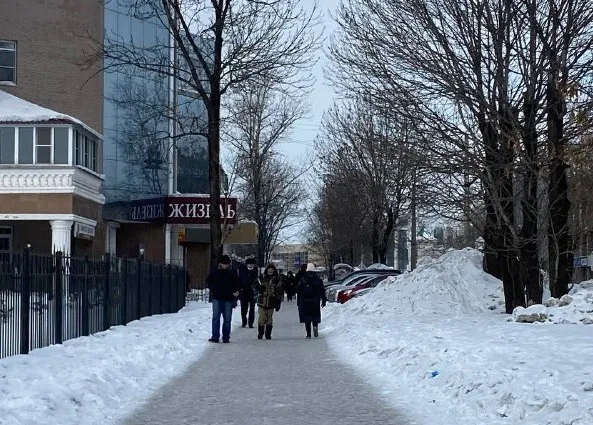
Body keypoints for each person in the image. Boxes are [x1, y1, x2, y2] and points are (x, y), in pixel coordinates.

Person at [207, 254, 240, 343]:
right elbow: (209, 281)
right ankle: (215, 336)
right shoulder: (214, 271)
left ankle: (226, 337)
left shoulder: (232, 272)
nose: (225, 265)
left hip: (228, 298)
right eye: (223, 264)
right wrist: (213, 289)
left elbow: (236, 283)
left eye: (227, 264)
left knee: (227, 319)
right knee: (216, 318)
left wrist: (236, 291)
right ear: (220, 263)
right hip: (217, 298)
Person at [296, 263, 327, 339]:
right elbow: (322, 290)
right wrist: (323, 300)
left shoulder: (303, 279)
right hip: (315, 300)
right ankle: (315, 326)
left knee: (307, 317)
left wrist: (298, 302)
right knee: (315, 315)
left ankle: (308, 334)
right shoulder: (317, 279)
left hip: (304, 301)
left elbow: (298, 291)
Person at [255, 263, 284, 340]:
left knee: (269, 318)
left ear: (274, 271)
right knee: (261, 317)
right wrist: (259, 288)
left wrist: (278, 302)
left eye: (272, 269)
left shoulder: (277, 279)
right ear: (266, 270)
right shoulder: (261, 278)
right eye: (269, 269)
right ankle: (260, 333)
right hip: (262, 301)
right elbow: (255, 285)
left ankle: (268, 334)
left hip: (271, 302)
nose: (270, 271)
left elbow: (280, 291)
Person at [238, 257, 258, 328]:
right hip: (244, 291)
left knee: (252, 308)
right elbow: (239, 280)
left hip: (252, 292)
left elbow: (257, 281)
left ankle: (250, 323)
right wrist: (240, 289)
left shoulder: (256, 271)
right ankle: (244, 321)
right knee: (244, 308)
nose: (250, 266)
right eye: (249, 265)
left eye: (252, 265)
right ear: (246, 265)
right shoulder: (242, 270)